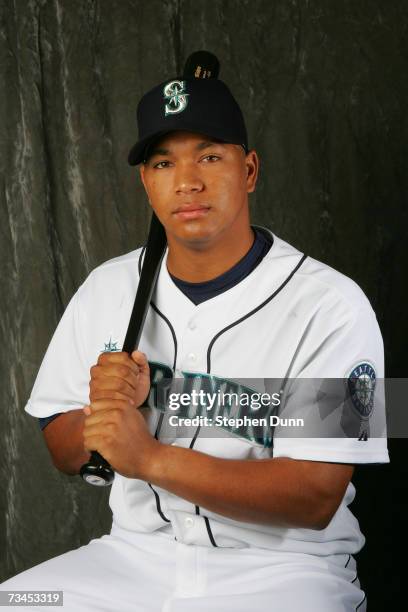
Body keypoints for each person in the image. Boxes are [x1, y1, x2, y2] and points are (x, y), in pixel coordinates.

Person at [1, 64, 388, 612]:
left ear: (249, 169)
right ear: (146, 182)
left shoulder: (331, 305)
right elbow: (63, 450)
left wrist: (149, 458)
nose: (187, 181)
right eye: (163, 162)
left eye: (209, 156)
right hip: (133, 560)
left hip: (284, 572)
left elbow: (314, 495)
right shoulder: (108, 288)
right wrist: (100, 416)